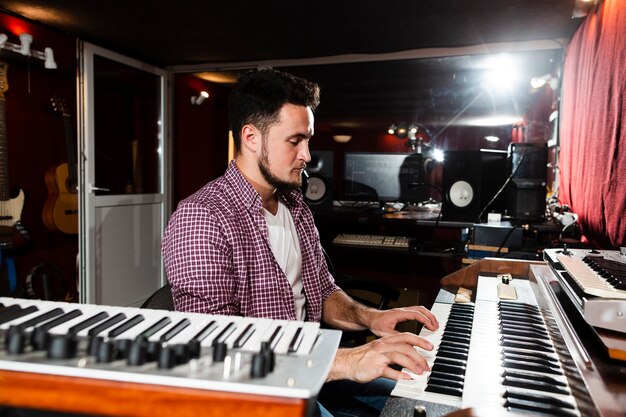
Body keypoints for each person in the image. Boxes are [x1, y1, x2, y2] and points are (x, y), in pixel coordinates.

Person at [161, 68, 439, 417]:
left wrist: (371, 319)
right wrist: (350, 361)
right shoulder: (202, 218)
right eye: (295, 141)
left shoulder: (295, 206)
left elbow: (323, 293)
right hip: (254, 396)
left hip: (309, 375)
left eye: (307, 140)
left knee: (418, 401)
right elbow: (216, 352)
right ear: (250, 137)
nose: (307, 155)